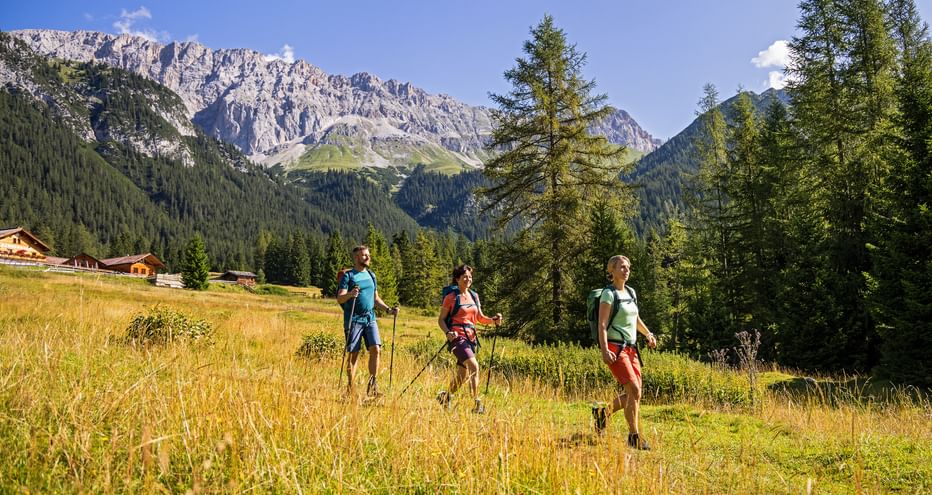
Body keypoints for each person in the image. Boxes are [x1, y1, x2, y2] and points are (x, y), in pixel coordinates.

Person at [593, 255, 657, 449]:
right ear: (611, 270)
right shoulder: (609, 294)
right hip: (615, 348)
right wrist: (604, 350)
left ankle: (603, 413)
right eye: (622, 267)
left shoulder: (631, 292)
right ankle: (634, 437)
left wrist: (648, 334)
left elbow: (635, 319)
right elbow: (602, 325)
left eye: (628, 267)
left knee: (635, 394)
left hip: (631, 349)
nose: (626, 270)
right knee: (634, 390)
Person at [436, 264, 502, 413]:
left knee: (462, 375)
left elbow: (480, 318)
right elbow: (441, 320)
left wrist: (493, 320)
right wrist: (448, 333)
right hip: (457, 338)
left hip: (471, 339)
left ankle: (445, 397)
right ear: (457, 279)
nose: (468, 279)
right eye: (465, 276)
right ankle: (477, 404)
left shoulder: (474, 296)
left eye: (470, 277)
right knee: (474, 366)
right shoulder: (451, 297)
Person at [336, 245, 399, 398]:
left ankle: (372, 385)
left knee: (376, 349)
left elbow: (375, 298)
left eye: (368, 255)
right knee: (353, 354)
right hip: (354, 319)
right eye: (364, 255)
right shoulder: (348, 276)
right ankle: (350, 388)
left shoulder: (371, 275)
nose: (367, 257)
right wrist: (351, 294)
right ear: (356, 257)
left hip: (370, 318)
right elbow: (340, 297)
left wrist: (388, 309)